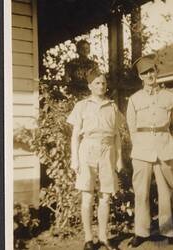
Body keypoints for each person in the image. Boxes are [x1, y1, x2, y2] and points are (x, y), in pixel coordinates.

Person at [126, 54, 173, 250]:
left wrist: (165, 140)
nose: (149, 75)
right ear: (141, 77)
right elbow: (131, 128)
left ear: (156, 72)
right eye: (145, 73)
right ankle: (141, 232)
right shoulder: (134, 99)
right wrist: (142, 143)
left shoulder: (171, 97)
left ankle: (169, 232)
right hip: (142, 149)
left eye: (152, 70)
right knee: (141, 192)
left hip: (164, 147)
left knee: (167, 192)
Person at [67, 67, 123, 250]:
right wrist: (74, 159)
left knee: (106, 196)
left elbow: (117, 136)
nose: (101, 86)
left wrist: (119, 159)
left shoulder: (112, 106)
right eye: (97, 83)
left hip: (108, 151)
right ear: (90, 86)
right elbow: (75, 135)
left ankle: (104, 237)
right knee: (88, 196)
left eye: (103, 83)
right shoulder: (81, 106)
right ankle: (89, 238)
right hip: (87, 150)